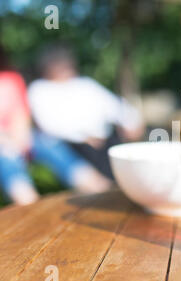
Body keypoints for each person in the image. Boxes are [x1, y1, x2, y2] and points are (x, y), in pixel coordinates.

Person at [0, 46, 111, 205]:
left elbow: (21, 115)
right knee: (6, 158)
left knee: (49, 142)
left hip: (21, 136)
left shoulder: (11, 79)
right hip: (3, 144)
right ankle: (28, 205)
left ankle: (97, 187)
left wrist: (20, 139)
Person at [28, 44, 145, 179]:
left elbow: (116, 107)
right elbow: (49, 126)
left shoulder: (86, 85)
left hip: (106, 142)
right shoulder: (40, 90)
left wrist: (131, 123)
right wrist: (84, 137)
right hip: (74, 147)